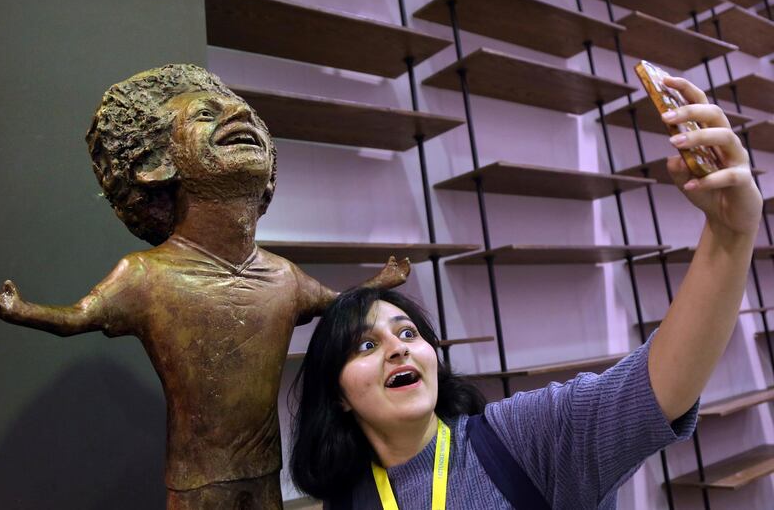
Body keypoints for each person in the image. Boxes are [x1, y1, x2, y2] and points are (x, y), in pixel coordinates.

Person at [290, 76, 763, 509]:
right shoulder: (348, 500)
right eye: (367, 345)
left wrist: (730, 234)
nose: (398, 349)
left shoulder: (523, 439)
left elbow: (658, 388)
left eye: (409, 333)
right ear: (339, 397)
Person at [0, 64, 410, 510]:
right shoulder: (147, 275)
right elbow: (79, 316)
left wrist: (378, 283)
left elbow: (337, 304)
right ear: (155, 165)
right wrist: (26, 310)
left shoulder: (283, 275)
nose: (237, 116)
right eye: (207, 114)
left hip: (266, 466)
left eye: (246, 113)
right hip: (197, 479)